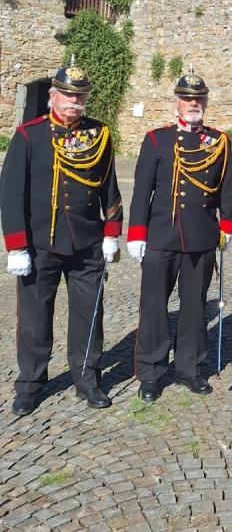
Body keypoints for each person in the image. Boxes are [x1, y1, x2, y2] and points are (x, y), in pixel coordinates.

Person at [0, 61, 122, 415]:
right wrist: (17, 246)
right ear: (52, 96)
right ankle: (30, 383)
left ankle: (87, 379)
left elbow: (109, 187)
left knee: (89, 316)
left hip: (87, 243)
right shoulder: (30, 135)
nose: (73, 101)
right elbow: (11, 194)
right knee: (35, 319)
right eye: (67, 95)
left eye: (80, 96)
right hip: (41, 244)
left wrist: (112, 232)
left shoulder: (99, 134)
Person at [128, 70, 232, 402]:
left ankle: (189, 368)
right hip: (162, 235)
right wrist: (136, 234)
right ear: (177, 102)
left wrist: (227, 224)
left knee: (194, 307)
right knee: (154, 307)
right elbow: (142, 191)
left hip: (201, 237)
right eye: (188, 99)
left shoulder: (219, 142)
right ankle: (151, 372)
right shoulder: (157, 140)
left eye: (199, 99)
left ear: (206, 102)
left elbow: (227, 188)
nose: (193, 104)